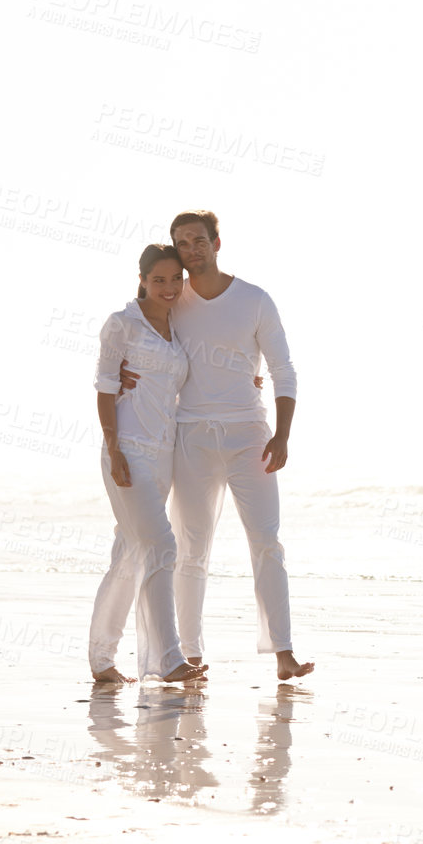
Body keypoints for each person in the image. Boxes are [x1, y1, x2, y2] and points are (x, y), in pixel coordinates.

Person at [121, 210, 314, 682]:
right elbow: (134, 330)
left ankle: (283, 652)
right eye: (182, 242)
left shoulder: (255, 300)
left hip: (250, 434)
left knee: (267, 542)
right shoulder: (171, 298)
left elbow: (283, 369)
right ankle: (188, 652)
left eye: (199, 240)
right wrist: (124, 370)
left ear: (217, 242)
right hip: (190, 436)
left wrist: (283, 433)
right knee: (191, 547)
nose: (192, 249)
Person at [88, 244, 207, 687]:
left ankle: (101, 659)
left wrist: (249, 377)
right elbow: (103, 386)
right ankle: (168, 659)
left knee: (130, 553)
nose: (169, 287)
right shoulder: (122, 324)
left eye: (176, 279)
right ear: (142, 279)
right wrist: (114, 449)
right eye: (159, 280)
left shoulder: (179, 325)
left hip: (165, 454)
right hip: (127, 451)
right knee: (162, 546)